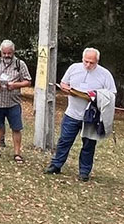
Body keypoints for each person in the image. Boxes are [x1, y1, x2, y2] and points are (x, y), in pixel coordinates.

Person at [45, 47, 118, 180]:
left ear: (97, 61)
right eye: (86, 61)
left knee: (89, 144)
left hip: (92, 116)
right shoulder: (74, 68)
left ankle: (84, 171)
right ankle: (56, 165)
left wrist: (96, 96)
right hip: (72, 113)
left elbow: (112, 94)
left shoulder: (105, 74)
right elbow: (63, 83)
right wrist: (65, 88)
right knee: (64, 140)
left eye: (92, 63)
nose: (88, 65)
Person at [0, 40, 32, 163]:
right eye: (4, 53)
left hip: (13, 103)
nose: (6, 56)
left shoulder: (20, 64)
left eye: (9, 53)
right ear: (1, 52)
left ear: (13, 52)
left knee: (16, 128)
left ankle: (17, 153)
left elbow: (28, 81)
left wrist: (15, 85)